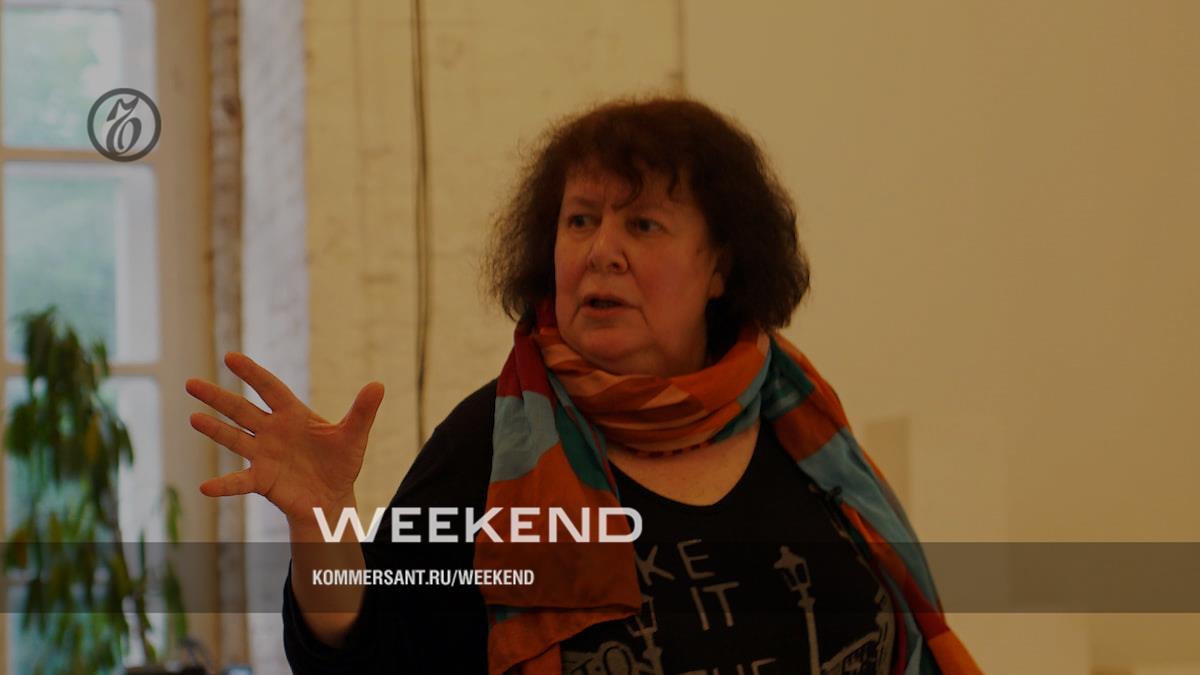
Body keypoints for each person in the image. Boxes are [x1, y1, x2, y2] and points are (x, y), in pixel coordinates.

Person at [185, 97, 980, 674]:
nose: (602, 250)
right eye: (580, 220)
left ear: (720, 265)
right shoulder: (489, 447)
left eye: (643, 223)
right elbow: (361, 656)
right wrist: (323, 525)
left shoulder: (800, 428)